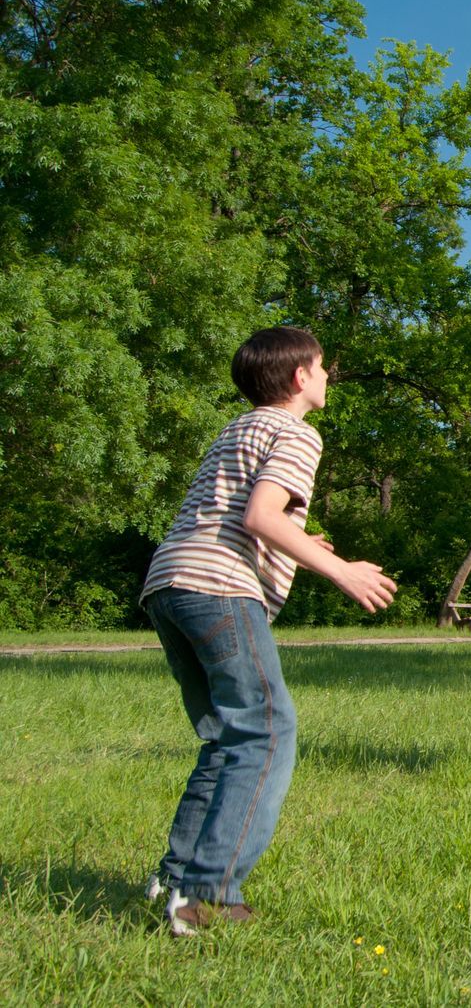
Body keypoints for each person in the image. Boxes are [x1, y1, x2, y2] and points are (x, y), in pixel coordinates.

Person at [140, 326, 396, 938]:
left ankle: (173, 878)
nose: (329, 376)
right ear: (300, 377)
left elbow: (237, 513)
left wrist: (304, 545)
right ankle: (205, 893)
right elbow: (260, 515)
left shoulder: (238, 427)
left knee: (226, 738)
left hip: (169, 583)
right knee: (267, 731)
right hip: (219, 587)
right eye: (323, 366)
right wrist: (341, 571)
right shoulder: (297, 432)